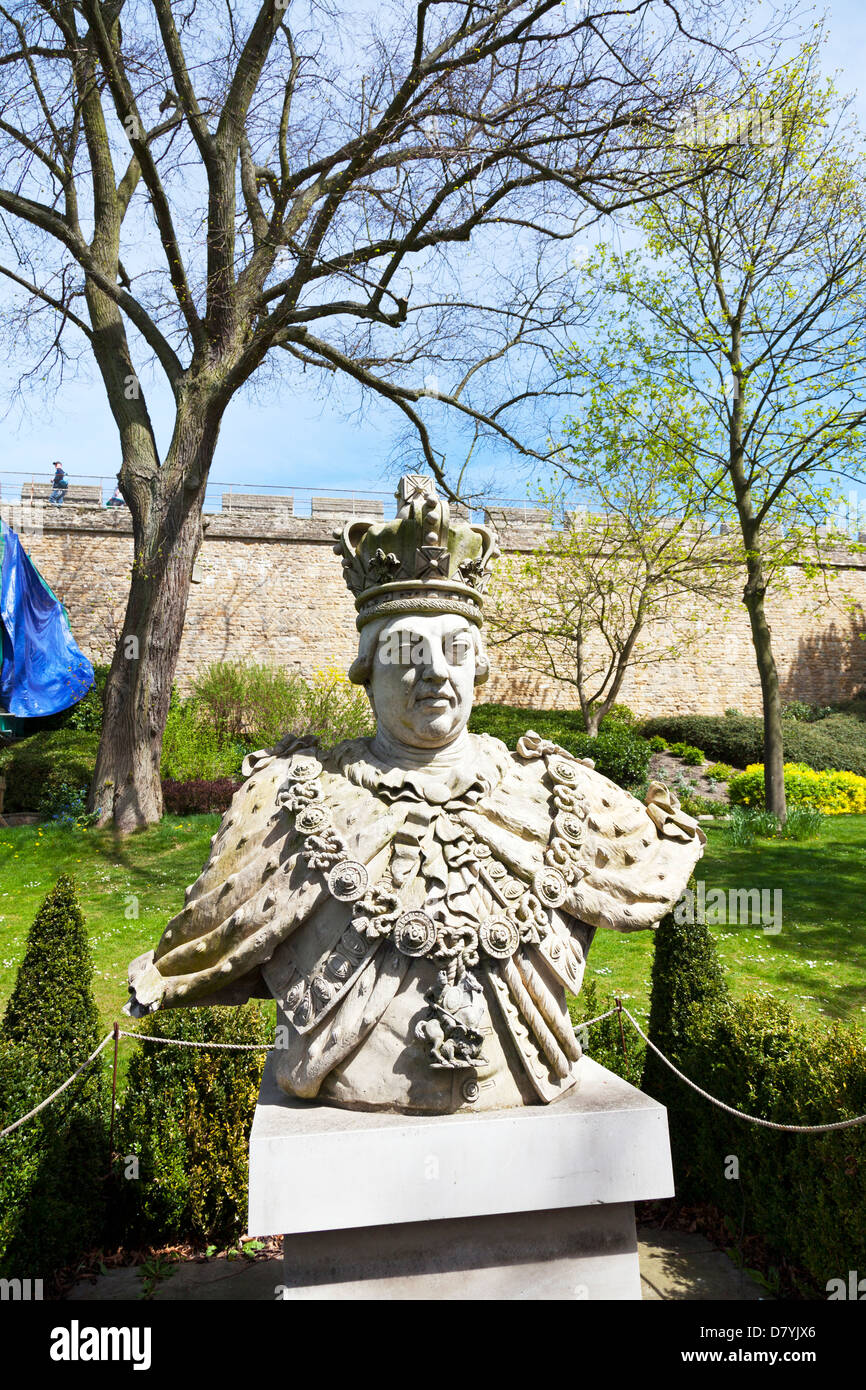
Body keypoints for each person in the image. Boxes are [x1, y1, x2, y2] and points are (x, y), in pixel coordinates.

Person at [126, 474, 706, 1114]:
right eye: (409, 650)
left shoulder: (562, 795)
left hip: (531, 1099)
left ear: (479, 669)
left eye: (456, 650)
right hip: (350, 1091)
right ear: (367, 671)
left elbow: (651, 867)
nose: (436, 671)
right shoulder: (285, 804)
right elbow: (210, 933)